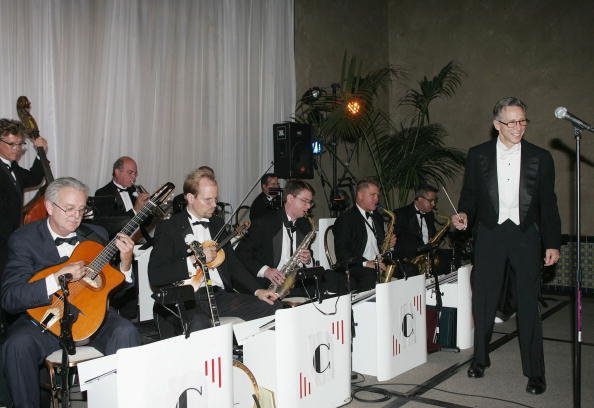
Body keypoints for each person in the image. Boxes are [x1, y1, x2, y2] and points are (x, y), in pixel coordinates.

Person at [452, 97, 561, 395]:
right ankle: (480, 359)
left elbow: (548, 205)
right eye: (512, 122)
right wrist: (464, 216)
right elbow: (470, 196)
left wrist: (552, 243)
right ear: (496, 124)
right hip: (489, 234)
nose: (519, 127)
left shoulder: (541, 157)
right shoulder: (478, 155)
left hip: (526, 236)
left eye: (523, 121)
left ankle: (535, 373)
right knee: (484, 301)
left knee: (528, 304)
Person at [0, 177, 140, 407]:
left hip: (90, 319)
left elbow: (113, 293)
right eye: (69, 208)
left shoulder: (96, 235)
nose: (76, 215)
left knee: (125, 330)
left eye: (81, 209)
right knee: (16, 345)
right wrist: (56, 279)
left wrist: (125, 265)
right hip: (45, 320)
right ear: (49, 207)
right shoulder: (24, 239)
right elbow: (10, 297)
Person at [148, 168, 281, 331]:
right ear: (190, 198)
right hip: (188, 299)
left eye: (215, 199)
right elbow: (156, 275)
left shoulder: (217, 224)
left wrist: (257, 290)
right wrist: (194, 261)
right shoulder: (169, 227)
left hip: (219, 297)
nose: (214, 205)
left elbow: (233, 264)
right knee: (199, 323)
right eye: (208, 200)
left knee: (273, 307)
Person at [236, 179, 330, 296]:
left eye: (310, 202)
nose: (308, 207)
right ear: (290, 198)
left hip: (295, 281)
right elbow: (241, 253)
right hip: (269, 283)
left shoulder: (305, 224)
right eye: (305, 201)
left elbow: (306, 250)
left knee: (329, 283)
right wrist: (266, 271)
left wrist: (308, 258)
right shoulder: (264, 223)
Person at [0, 119, 47, 282]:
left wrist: (41, 155)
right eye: (12, 144)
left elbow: (33, 179)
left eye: (20, 144)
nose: (17, 149)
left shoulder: (13, 167)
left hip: (10, 240)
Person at [333, 179, 396, 292]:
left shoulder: (377, 217)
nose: (377, 199)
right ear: (360, 195)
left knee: (407, 268)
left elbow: (379, 245)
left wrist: (389, 245)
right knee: (370, 274)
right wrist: (366, 263)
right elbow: (342, 253)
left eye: (377, 195)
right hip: (356, 265)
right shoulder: (345, 220)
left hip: (378, 262)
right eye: (373, 195)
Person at [93, 156, 151, 239]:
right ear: (117, 172)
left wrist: (148, 209)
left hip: (139, 240)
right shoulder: (103, 193)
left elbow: (146, 223)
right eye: (130, 173)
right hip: (117, 244)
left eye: (135, 173)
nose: (134, 177)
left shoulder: (135, 190)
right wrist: (135, 210)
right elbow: (108, 227)